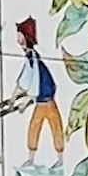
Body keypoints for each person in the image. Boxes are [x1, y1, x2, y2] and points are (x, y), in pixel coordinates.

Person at [13, 16, 66, 158]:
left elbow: (34, 80)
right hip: (42, 98)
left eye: (20, 38)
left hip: (46, 98)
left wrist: (25, 100)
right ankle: (32, 158)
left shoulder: (33, 57)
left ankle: (60, 158)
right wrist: (15, 95)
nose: (19, 42)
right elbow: (25, 78)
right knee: (37, 127)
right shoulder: (30, 57)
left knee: (53, 127)